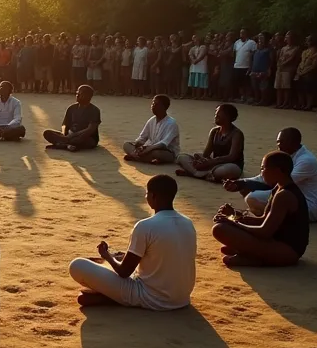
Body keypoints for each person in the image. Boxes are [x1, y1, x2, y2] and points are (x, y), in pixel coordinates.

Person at [69, 174, 196, 309]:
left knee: (77, 265)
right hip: (181, 299)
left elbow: (124, 272)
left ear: (153, 196)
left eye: (147, 194)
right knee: (122, 256)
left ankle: (115, 297)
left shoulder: (145, 226)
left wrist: (107, 256)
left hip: (151, 297)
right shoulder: (188, 223)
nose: (146, 197)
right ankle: (111, 294)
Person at [214, 151, 310, 267]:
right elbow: (264, 219)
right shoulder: (278, 188)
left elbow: (264, 232)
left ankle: (256, 258)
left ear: (277, 171)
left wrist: (233, 223)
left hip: (287, 252)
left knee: (220, 229)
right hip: (276, 243)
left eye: (263, 168)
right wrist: (235, 215)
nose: (262, 172)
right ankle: (251, 253)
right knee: (225, 229)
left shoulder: (284, 195)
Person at [223, 127, 317, 221]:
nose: (278, 146)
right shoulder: (289, 155)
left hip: (309, 207)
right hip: (293, 198)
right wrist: (240, 183)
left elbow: (283, 182)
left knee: (253, 197)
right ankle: (266, 215)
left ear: (293, 143)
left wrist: (247, 184)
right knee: (246, 187)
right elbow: (266, 177)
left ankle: (268, 217)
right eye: (278, 142)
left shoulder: (306, 161)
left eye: (281, 142)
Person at [175, 103, 245, 181]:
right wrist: (201, 161)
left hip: (230, 164)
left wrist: (211, 162)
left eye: (218, 115)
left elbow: (232, 157)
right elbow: (206, 153)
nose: (215, 117)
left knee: (225, 171)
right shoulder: (214, 131)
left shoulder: (236, 134)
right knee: (181, 157)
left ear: (227, 117)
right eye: (216, 115)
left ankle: (194, 173)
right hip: (213, 164)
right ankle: (204, 175)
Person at [122, 95, 180, 164]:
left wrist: (148, 149)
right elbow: (142, 138)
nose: (152, 106)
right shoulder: (152, 120)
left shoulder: (171, 123)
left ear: (163, 107)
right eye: (152, 103)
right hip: (148, 149)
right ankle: (146, 158)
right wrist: (139, 146)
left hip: (165, 152)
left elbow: (163, 144)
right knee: (126, 145)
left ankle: (137, 157)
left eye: (156, 104)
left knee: (157, 153)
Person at [44, 84, 101, 151]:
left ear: (88, 96)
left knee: (80, 139)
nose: (77, 95)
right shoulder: (71, 108)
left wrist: (73, 135)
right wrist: (65, 135)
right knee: (47, 133)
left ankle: (63, 144)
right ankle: (67, 145)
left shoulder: (94, 110)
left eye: (80, 93)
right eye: (77, 93)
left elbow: (90, 129)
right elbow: (65, 124)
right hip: (69, 135)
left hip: (85, 136)